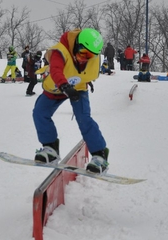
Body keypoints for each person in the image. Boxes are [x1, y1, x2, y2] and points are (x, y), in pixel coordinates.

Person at [32, 28, 109, 174]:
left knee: (83, 118)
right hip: (57, 86)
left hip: (78, 87)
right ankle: (50, 148)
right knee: (39, 113)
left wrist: (84, 81)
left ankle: (100, 155)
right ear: (76, 45)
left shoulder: (89, 56)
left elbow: (85, 69)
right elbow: (55, 70)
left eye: (91, 55)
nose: (85, 58)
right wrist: (64, 86)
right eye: (83, 53)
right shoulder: (60, 52)